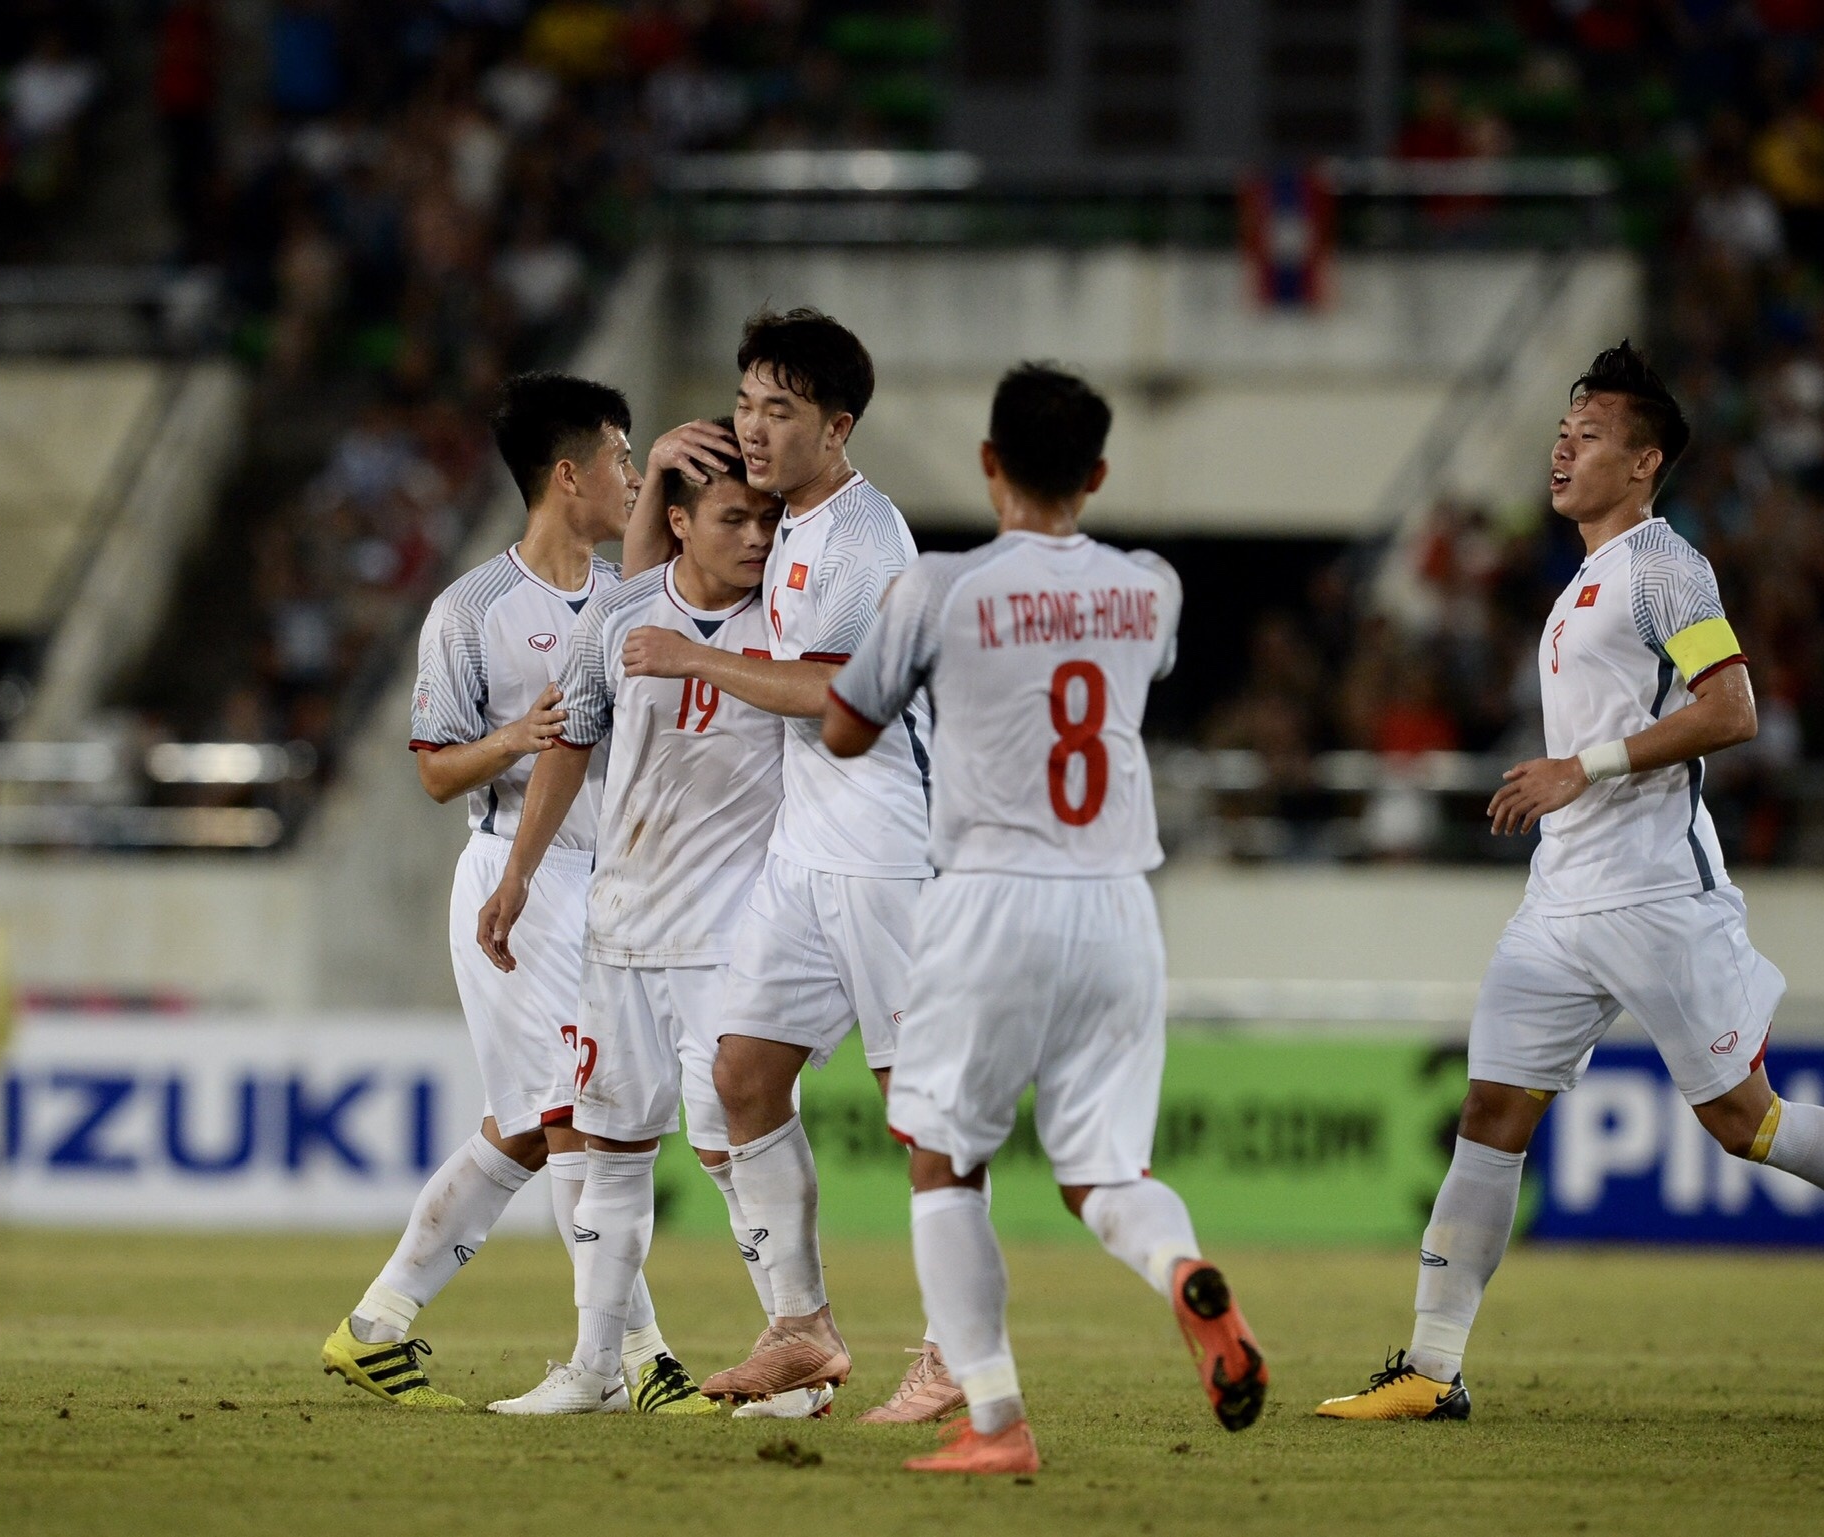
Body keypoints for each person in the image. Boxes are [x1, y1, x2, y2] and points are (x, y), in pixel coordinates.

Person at [1316, 342, 1824, 1423]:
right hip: (1562, 899)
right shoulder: (1581, 581)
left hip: (1654, 896)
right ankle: (1431, 1367)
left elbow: (1733, 709)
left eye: (1587, 435)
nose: (1562, 445)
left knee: (1745, 1120)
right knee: (1493, 1108)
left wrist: (1577, 769)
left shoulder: (1665, 566)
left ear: (1643, 463)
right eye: (1563, 428)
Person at [822, 364, 1268, 1475]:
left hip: (988, 896)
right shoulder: (1151, 587)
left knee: (943, 1157)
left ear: (987, 464)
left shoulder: (942, 586)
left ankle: (994, 1419)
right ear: (1100, 474)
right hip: (1119, 900)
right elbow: (1127, 662)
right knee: (1104, 1172)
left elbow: (844, 729)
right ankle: (1180, 1270)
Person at [320, 373, 704, 1413]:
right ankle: (638, 1360)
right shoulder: (471, 610)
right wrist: (515, 737)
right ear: (568, 474)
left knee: (532, 1126)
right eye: (621, 460)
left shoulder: (632, 595)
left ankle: (377, 1323)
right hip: (515, 880)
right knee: (577, 1114)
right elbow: (437, 772)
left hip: (613, 887)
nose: (631, 479)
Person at [617, 310, 952, 1420]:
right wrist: (663, 465)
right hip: (805, 853)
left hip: (887, 854)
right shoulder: (784, 524)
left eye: (782, 409)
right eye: (748, 401)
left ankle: (955, 1348)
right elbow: (643, 598)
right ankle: (802, 1326)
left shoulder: (863, 539)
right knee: (742, 1076)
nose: (754, 428)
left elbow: (837, 695)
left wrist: (696, 655)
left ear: (838, 427)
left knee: (920, 1108)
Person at [474, 426, 790, 1416]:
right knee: (609, 1148)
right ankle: (594, 1367)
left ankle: (798, 1358)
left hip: (730, 934)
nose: (756, 537)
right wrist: (518, 873)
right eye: (734, 518)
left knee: (731, 1146)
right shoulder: (619, 617)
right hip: (621, 924)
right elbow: (572, 739)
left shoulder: (788, 623)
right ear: (682, 523)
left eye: (768, 518)